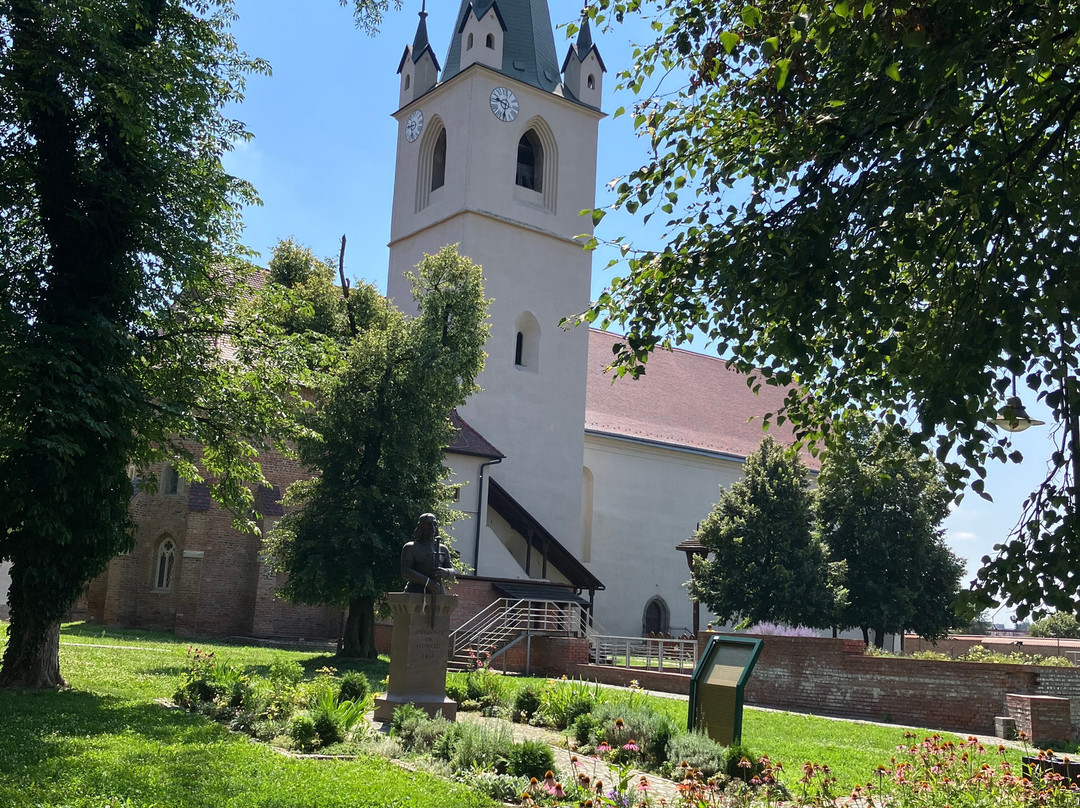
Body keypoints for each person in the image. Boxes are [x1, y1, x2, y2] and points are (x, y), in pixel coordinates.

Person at [400, 513, 455, 594]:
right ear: (420, 526)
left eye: (434, 524)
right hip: (415, 592)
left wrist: (445, 572)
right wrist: (427, 582)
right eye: (428, 524)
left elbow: (453, 573)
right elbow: (405, 571)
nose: (432, 528)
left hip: (438, 592)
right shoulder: (410, 547)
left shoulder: (443, 548)